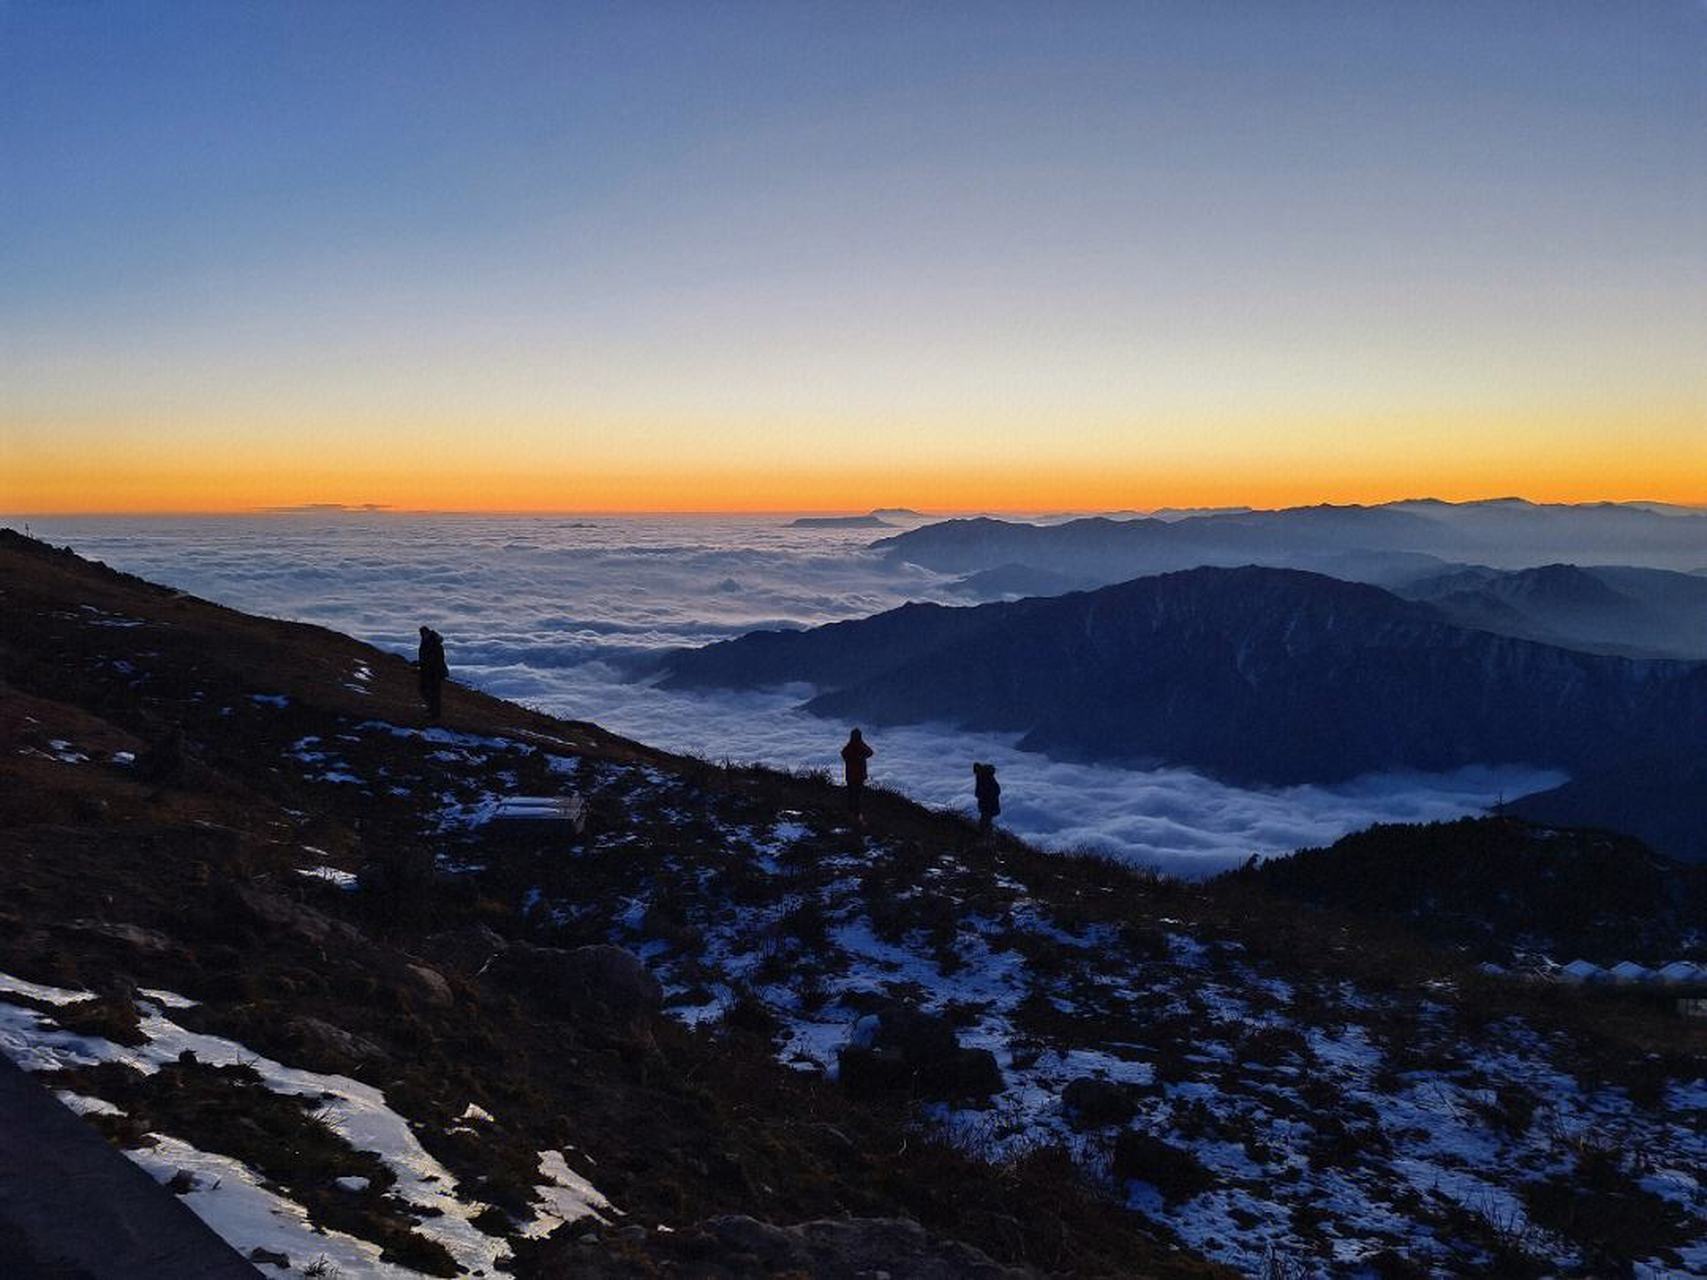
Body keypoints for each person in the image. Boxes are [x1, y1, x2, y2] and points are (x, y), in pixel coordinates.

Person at [840, 727, 873, 823]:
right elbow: (870, 752)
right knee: (857, 795)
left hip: (850, 775)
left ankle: (850, 811)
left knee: (851, 793)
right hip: (859, 775)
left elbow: (843, 754)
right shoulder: (860, 747)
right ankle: (857, 814)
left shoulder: (849, 747)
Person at [417, 625, 449, 722]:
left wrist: (423, 664)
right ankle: (432, 710)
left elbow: (435, 659)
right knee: (427, 690)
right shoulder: (428, 642)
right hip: (429, 671)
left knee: (433, 692)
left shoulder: (433, 644)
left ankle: (434, 713)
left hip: (434, 672)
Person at [973, 762, 1001, 836]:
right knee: (986, 821)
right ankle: (987, 836)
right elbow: (996, 790)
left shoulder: (982, 777)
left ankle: (985, 836)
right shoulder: (987, 777)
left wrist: (982, 796)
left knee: (985, 822)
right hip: (990, 804)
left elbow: (980, 791)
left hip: (987, 804)